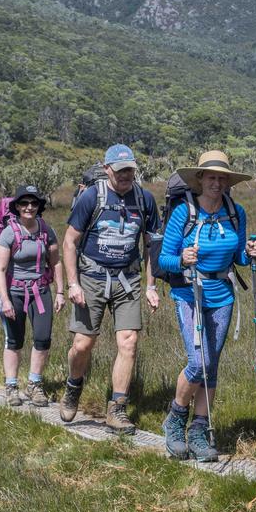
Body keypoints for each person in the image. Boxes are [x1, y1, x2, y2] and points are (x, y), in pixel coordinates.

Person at [156, 151, 256, 462]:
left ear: (228, 182)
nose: (217, 182)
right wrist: (181, 259)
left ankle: (199, 430)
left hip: (223, 295)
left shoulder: (235, 212)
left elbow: (239, 258)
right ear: (199, 179)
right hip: (189, 293)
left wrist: (250, 252)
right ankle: (175, 419)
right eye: (211, 177)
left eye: (222, 178)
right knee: (199, 360)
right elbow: (164, 260)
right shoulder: (183, 213)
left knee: (211, 364)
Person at [60, 144, 160, 432]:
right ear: (107, 170)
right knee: (82, 345)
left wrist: (151, 285)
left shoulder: (144, 199)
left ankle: (117, 408)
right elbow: (69, 242)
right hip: (91, 277)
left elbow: (151, 245)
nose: (126, 175)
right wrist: (73, 283)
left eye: (130, 169)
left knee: (128, 342)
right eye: (120, 170)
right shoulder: (92, 197)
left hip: (128, 279)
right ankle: (74, 385)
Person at [0, 185, 64, 407]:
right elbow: (0, 270)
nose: (29, 207)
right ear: (17, 207)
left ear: (39, 206)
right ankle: (11, 386)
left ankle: (34, 384)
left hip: (40, 291)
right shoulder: (8, 233)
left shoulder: (46, 230)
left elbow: (56, 262)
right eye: (24, 203)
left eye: (33, 203)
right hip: (13, 292)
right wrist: (5, 300)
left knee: (43, 339)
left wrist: (61, 291)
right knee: (14, 340)